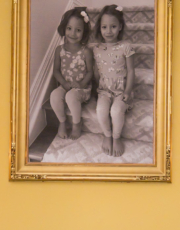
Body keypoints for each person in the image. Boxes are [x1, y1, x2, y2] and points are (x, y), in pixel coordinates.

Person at [93, 4, 135, 157]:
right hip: (104, 90)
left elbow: (131, 71)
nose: (108, 31)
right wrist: (95, 91)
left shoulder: (126, 46)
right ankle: (107, 135)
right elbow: (96, 72)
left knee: (116, 111)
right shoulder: (97, 48)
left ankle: (116, 137)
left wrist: (128, 91)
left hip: (122, 90)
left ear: (120, 27)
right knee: (100, 111)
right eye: (104, 27)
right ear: (100, 28)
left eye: (113, 26)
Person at [50, 7, 94, 140]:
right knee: (54, 95)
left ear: (84, 32)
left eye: (78, 30)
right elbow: (56, 71)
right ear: (64, 28)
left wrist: (80, 84)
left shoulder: (86, 51)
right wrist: (64, 83)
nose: (73, 33)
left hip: (82, 87)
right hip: (65, 85)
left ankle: (76, 123)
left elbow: (90, 72)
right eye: (69, 28)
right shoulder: (59, 50)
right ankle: (62, 122)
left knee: (70, 97)